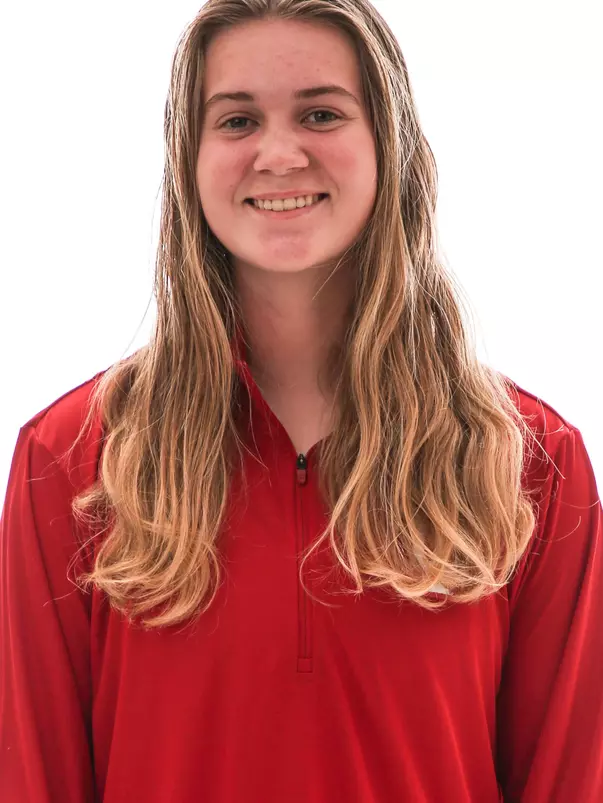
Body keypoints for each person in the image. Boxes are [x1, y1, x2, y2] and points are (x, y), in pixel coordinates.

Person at [1, 0, 602, 800]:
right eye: (237, 119)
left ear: (388, 146)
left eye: (320, 112)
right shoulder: (72, 457)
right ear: (189, 159)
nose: (278, 154)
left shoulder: (529, 460)